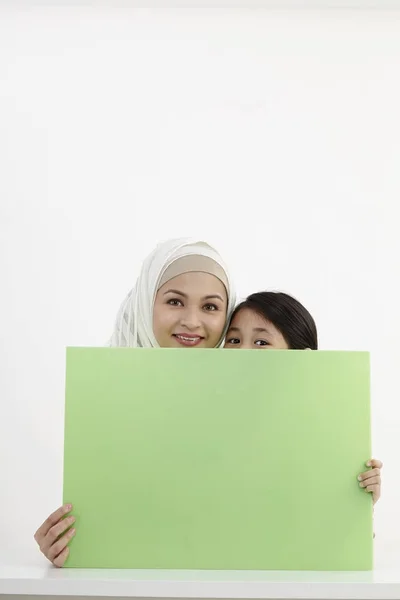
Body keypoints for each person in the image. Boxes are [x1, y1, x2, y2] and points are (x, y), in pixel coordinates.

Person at [34, 237, 236, 567]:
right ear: (146, 302)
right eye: (175, 301)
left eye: (210, 307)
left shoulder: (249, 392)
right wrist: (65, 543)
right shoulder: (102, 391)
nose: (191, 321)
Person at [224, 290, 382, 505]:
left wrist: (360, 506)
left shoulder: (328, 432)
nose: (241, 351)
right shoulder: (209, 418)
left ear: (300, 358)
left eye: (261, 342)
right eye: (233, 339)